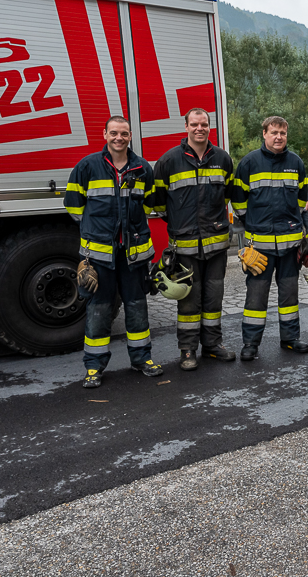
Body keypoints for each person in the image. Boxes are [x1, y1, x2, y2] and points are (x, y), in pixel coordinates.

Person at [64, 116, 162, 388]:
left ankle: (142, 359)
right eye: (114, 133)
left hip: (133, 254)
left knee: (137, 307)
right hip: (100, 255)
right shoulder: (87, 166)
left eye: (124, 133)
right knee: (99, 309)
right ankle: (94, 366)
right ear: (105, 134)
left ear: (130, 136)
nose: (119, 138)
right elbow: (74, 206)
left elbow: (149, 203)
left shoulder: (142, 168)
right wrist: (96, 231)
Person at [152, 108, 236, 371]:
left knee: (213, 298)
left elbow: (227, 196)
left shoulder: (222, 159)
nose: (200, 128)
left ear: (209, 127)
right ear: (186, 126)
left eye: (204, 124)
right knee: (188, 299)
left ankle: (212, 345)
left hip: (216, 245)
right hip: (185, 246)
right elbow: (159, 203)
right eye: (195, 124)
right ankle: (187, 350)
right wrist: (181, 224)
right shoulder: (168, 161)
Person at [230, 116, 308, 362]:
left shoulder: (296, 162)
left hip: (290, 246)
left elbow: (302, 200)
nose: (279, 137)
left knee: (289, 296)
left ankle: (290, 338)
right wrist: (253, 223)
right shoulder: (249, 162)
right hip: (260, 246)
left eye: (283, 133)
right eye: (274, 132)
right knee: (256, 298)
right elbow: (238, 201)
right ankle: (250, 343)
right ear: (264, 134)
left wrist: (296, 226)